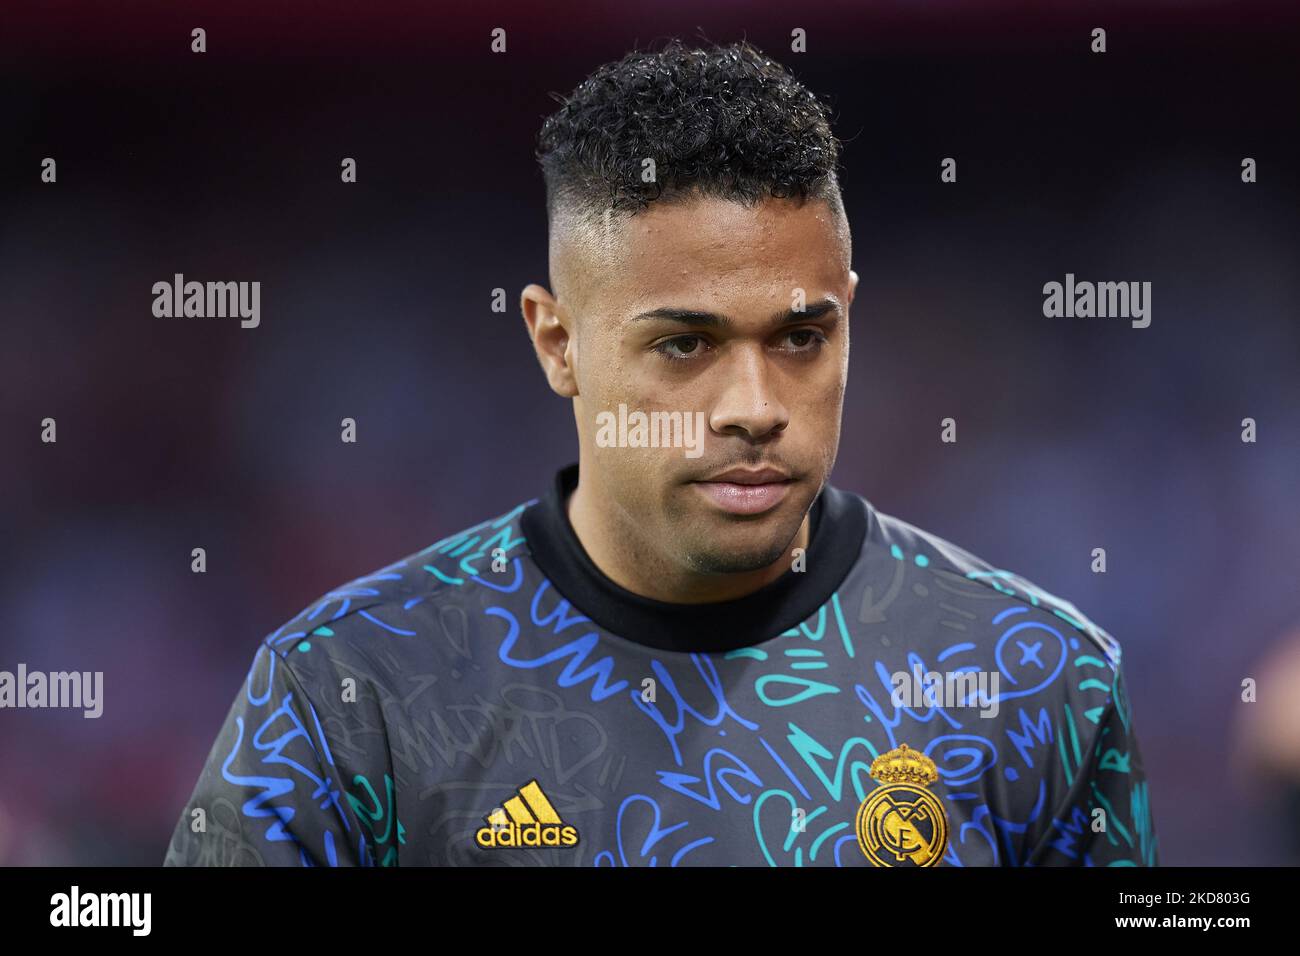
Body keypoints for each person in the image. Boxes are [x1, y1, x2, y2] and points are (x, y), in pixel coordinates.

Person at [164, 38, 1156, 867]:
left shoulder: (1035, 677)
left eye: (801, 338)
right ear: (558, 343)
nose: (754, 407)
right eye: (684, 345)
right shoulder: (350, 690)